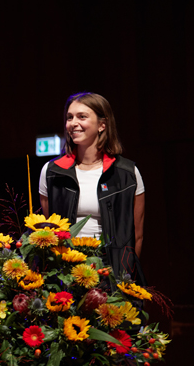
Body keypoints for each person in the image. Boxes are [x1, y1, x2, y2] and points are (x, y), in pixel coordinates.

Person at [39, 92, 146, 284]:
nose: (73, 123)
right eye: (69, 117)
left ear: (102, 125)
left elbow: (136, 236)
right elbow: (50, 229)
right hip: (66, 272)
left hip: (110, 273)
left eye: (82, 116)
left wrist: (124, 278)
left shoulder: (127, 173)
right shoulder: (52, 171)